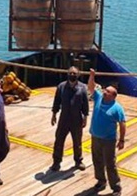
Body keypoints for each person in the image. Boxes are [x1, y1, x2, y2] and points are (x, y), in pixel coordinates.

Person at [87, 68, 126, 196]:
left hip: (108, 140)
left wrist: (121, 140)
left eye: (108, 92)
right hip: (95, 136)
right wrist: (92, 76)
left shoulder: (117, 108)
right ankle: (101, 181)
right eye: (105, 90)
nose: (104, 92)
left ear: (113, 96)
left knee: (110, 163)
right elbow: (91, 88)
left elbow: (122, 123)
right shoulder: (98, 97)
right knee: (97, 160)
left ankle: (116, 186)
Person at [50, 66, 89, 171]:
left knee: (77, 142)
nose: (72, 75)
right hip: (64, 118)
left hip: (77, 119)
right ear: (67, 74)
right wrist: (54, 114)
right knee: (59, 140)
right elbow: (56, 102)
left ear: (78, 75)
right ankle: (56, 162)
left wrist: (85, 117)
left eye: (74, 73)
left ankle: (78, 161)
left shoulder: (82, 88)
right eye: (70, 73)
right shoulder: (61, 87)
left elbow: (85, 104)